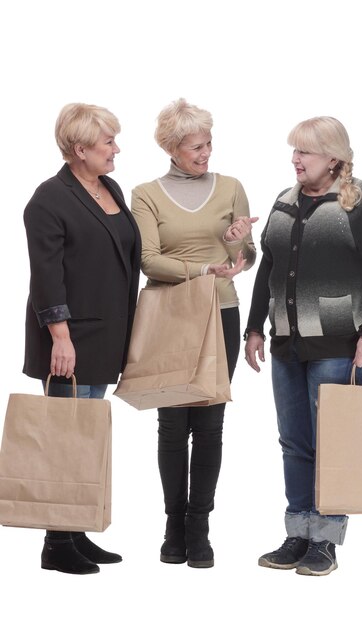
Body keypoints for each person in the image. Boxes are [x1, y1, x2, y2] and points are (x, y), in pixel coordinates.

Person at [245, 116, 362, 576]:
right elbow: (267, 269)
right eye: (293, 150)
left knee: (333, 443)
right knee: (294, 442)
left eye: (305, 152)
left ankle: (326, 541)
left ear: (333, 158)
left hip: (340, 346)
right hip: (287, 346)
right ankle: (298, 532)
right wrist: (255, 328)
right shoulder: (284, 201)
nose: (295, 159)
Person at [131, 98, 257, 568]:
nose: (205, 153)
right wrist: (204, 266)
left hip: (220, 313)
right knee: (171, 426)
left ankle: (199, 527)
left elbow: (247, 259)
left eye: (208, 143)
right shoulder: (146, 192)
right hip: (170, 315)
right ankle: (172, 526)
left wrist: (236, 243)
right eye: (194, 147)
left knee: (209, 427)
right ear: (171, 148)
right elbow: (148, 259)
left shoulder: (231, 187)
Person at [23, 103, 142, 575]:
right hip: (69, 342)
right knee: (63, 440)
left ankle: (76, 531)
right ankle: (56, 545)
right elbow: (45, 277)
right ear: (79, 150)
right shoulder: (48, 199)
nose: (116, 149)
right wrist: (60, 338)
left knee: (88, 440)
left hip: (106, 335)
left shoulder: (107, 188)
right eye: (108, 142)